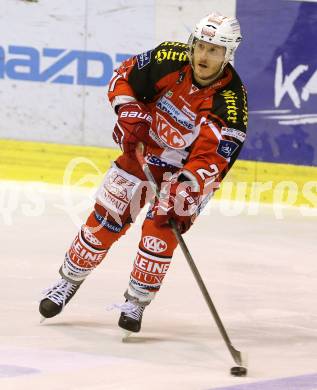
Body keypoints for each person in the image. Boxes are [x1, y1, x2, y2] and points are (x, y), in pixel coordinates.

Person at [39, 11, 248, 333]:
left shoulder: (230, 101)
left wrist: (186, 187)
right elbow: (121, 77)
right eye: (200, 46)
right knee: (107, 219)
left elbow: (213, 158)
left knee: (159, 234)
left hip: (187, 174)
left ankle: (136, 301)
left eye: (214, 49)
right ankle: (68, 281)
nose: (203, 55)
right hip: (143, 153)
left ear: (228, 54)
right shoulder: (168, 57)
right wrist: (129, 111)